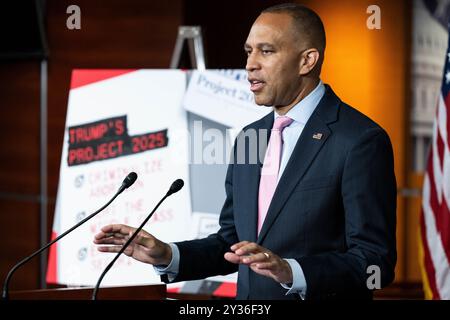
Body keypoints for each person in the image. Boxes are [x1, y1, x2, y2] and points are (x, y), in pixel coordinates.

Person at [94, 3, 397, 300]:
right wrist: (168, 254)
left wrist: (292, 272)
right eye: (249, 51)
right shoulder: (250, 137)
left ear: (307, 61)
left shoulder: (360, 140)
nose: (251, 64)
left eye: (266, 51)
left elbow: (374, 262)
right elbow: (232, 242)